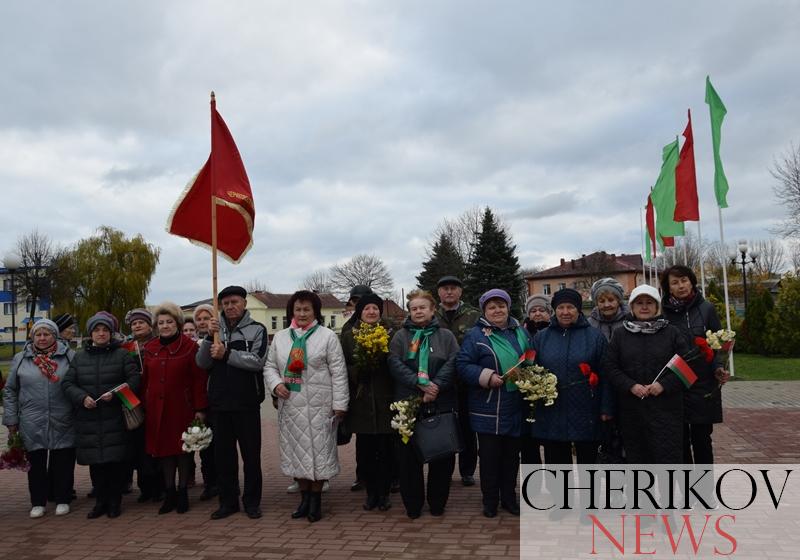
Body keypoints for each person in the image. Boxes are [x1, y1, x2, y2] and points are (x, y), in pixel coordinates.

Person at [264, 290, 349, 523]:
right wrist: (275, 384)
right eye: (298, 309)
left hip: (321, 406)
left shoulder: (328, 336)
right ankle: (304, 499)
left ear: (315, 312)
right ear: (291, 311)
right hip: (291, 405)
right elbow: (269, 367)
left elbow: (339, 372)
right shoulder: (281, 337)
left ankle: (316, 502)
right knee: (296, 453)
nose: (302, 313)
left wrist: (340, 404)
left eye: (306, 309)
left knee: (320, 453)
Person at [456, 289, 530, 518]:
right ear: (484, 311)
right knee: (489, 459)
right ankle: (490, 501)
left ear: (508, 307)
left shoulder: (520, 333)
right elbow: (462, 364)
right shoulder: (475, 335)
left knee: (511, 458)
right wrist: (487, 376)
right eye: (492, 307)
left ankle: (509, 498)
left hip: (516, 404)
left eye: (501, 305)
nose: (497, 310)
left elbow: (530, 357)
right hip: (488, 406)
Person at [196, 285, 268, 520]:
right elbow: (202, 363)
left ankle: (252, 502)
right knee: (223, 458)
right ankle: (228, 502)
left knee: (251, 457)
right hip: (219, 404)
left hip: (247, 403)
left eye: (234, 302)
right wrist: (208, 337)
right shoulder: (214, 331)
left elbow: (257, 361)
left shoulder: (257, 330)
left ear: (244, 304)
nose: (230, 307)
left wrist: (227, 354)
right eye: (225, 303)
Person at [388, 289, 459, 519]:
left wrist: (435, 386)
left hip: (440, 402)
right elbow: (395, 363)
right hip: (408, 404)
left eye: (422, 307)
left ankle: (437, 503)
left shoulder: (446, 336)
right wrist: (419, 385)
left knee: (442, 456)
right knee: (409, 460)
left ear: (432, 310)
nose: (418, 311)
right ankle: (413, 505)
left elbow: (453, 361)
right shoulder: (401, 337)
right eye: (414, 308)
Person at [61, 312, 140, 519]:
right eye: (97, 330)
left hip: (115, 416)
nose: (101, 333)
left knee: (115, 463)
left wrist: (115, 394)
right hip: (89, 419)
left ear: (111, 333)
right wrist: (82, 397)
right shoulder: (80, 357)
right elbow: (68, 384)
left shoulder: (122, 354)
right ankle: (100, 502)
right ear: (91, 334)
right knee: (96, 465)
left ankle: (114, 502)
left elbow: (134, 380)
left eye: (105, 330)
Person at [603, 284, 692, 462]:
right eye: (639, 303)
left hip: (667, 410)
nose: (644, 307)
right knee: (637, 461)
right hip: (632, 410)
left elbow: (688, 367)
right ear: (632, 307)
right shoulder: (620, 335)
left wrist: (664, 385)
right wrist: (631, 386)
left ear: (657, 306)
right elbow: (610, 367)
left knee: (667, 461)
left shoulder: (672, 333)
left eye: (649, 302)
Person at [2, 319, 76, 518]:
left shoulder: (68, 356)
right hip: (31, 419)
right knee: (36, 463)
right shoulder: (21, 358)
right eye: (38, 334)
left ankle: (62, 499)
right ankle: (38, 502)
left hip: (63, 417)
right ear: (32, 337)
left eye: (47, 334)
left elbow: (78, 384)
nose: (42, 338)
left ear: (55, 336)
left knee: (63, 462)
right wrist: (11, 420)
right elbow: (10, 391)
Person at [531, 288, 612, 465]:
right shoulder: (541, 338)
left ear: (579, 310)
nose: (565, 312)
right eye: (561, 307)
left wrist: (606, 407)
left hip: (586, 409)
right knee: (556, 463)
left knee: (588, 462)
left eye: (570, 307)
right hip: (552, 411)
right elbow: (532, 370)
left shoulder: (595, 337)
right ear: (554, 310)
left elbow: (606, 374)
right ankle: (560, 493)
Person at [142, 302, 208, 514]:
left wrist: (200, 408)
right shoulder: (150, 348)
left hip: (182, 407)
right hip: (157, 408)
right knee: (164, 452)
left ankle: (182, 493)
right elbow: (146, 379)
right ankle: (169, 492)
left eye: (169, 322)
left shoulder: (189, 346)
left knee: (182, 450)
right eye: (161, 322)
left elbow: (199, 379)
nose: (165, 326)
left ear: (178, 323)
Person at [660, 265, 730, 465]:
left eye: (684, 280)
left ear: (691, 281)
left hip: (703, 383)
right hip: (674, 382)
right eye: (675, 282)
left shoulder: (706, 308)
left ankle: (703, 492)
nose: (681, 286)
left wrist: (718, 366)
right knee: (679, 441)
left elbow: (718, 341)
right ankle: (686, 491)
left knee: (702, 439)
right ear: (668, 287)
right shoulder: (662, 311)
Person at [340, 293, 395, 512]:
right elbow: (342, 365)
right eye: (366, 309)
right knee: (366, 452)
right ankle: (371, 493)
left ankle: (385, 493)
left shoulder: (392, 334)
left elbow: (399, 362)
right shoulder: (349, 336)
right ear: (359, 313)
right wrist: (359, 370)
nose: (371, 312)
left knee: (386, 451)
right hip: (361, 402)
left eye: (375, 308)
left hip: (386, 400)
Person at [434, 275, 480, 487]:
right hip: (440, 383)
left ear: (460, 292)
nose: (449, 292)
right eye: (445, 289)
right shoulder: (431, 315)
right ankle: (445, 470)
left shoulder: (473, 316)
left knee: (468, 428)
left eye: (453, 288)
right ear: (439, 293)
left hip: (466, 382)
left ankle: (467, 470)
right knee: (445, 427)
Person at [123, 308, 162, 503]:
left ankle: (160, 486)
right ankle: (145, 487)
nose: (137, 326)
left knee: (156, 444)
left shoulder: (158, 343)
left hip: (154, 400)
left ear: (149, 325)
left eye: (141, 322)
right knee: (138, 447)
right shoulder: (126, 348)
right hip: (132, 401)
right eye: (134, 323)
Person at [338, 284, 374, 493]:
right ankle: (363, 476)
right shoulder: (348, 329)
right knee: (363, 439)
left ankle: (392, 476)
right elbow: (342, 361)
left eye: (362, 299)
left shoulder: (386, 325)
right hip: (358, 391)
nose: (358, 304)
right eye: (355, 300)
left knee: (387, 439)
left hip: (382, 392)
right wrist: (358, 370)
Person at [520, 294, 551, 466]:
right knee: (528, 445)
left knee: (551, 444)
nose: (537, 314)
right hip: (527, 395)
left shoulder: (556, 331)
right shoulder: (521, 333)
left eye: (541, 310)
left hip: (550, 393)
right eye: (533, 311)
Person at [191, 303, 218, 501]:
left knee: (220, 445)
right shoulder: (192, 344)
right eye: (198, 319)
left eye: (206, 317)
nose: (202, 322)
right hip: (200, 400)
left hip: (217, 399)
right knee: (204, 445)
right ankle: (209, 482)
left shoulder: (217, 339)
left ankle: (221, 482)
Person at [587, 278, 629, 342]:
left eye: (611, 300)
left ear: (618, 301)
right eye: (602, 301)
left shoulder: (629, 321)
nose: (606, 305)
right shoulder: (589, 324)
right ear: (596, 303)